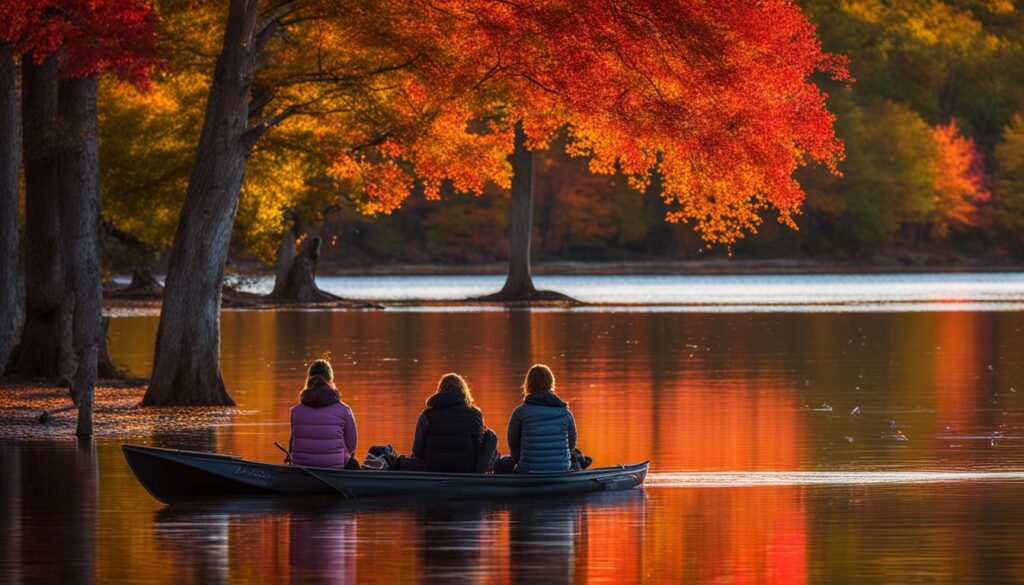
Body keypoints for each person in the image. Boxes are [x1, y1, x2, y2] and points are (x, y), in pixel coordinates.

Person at [403, 373, 497, 473]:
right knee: (490, 436)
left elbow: (417, 451)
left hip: (432, 470)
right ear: (464, 391)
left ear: (440, 391)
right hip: (466, 470)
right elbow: (479, 448)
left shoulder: (426, 416)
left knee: (401, 461)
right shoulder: (475, 415)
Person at [506, 364, 578, 473]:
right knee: (578, 455)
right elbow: (571, 443)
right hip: (561, 470)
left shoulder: (520, 413)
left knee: (501, 463)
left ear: (528, 385)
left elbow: (513, 443)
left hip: (528, 470)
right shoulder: (565, 413)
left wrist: (518, 461)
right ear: (551, 383)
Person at [289, 358, 359, 469]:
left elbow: (292, 447)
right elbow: (352, 446)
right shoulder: (344, 410)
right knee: (353, 462)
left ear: (308, 379)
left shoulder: (295, 411)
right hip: (335, 468)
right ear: (331, 380)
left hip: (302, 469)